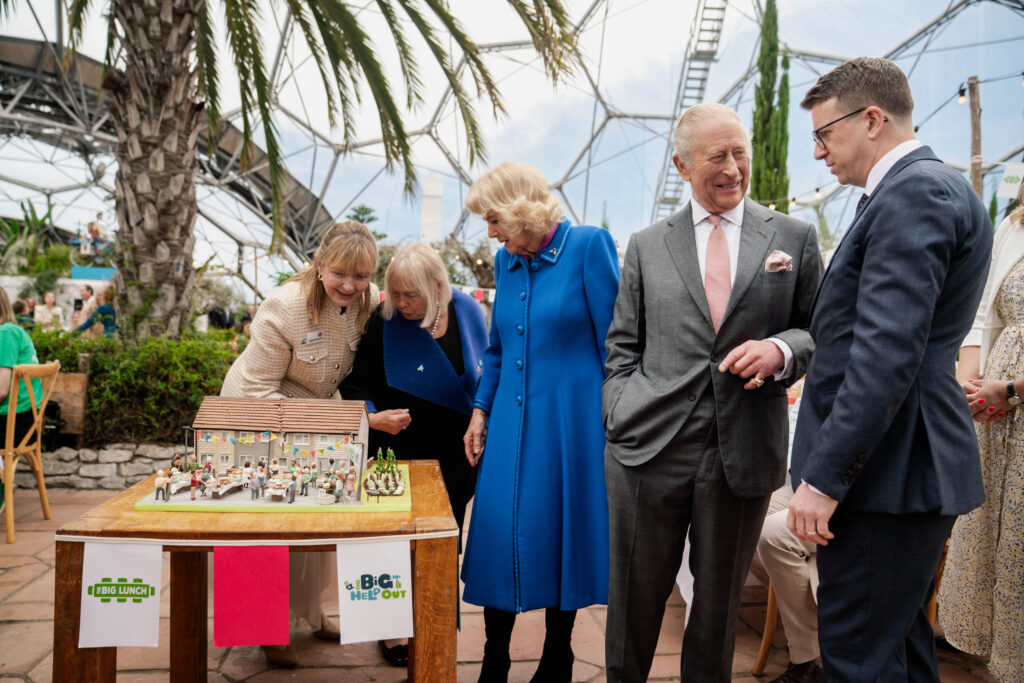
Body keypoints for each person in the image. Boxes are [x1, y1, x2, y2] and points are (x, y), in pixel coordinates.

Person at [788, 57, 992, 682]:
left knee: (859, 659)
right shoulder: (919, 190)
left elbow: (884, 356)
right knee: (898, 651)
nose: (819, 153)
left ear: (872, 119)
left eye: (824, 134)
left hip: (887, 476)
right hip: (897, 471)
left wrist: (824, 480)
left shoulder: (915, 192)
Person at [603, 102, 820, 682]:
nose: (733, 167)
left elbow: (817, 329)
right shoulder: (647, 244)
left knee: (718, 606)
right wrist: (618, 411)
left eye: (740, 152)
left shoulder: (793, 238)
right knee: (633, 600)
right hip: (646, 446)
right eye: (717, 155)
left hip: (744, 448)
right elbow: (622, 346)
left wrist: (781, 351)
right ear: (681, 164)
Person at [460, 161, 620, 682]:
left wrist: (614, 421)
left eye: (493, 220)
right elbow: (498, 349)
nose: (489, 233)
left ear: (518, 210)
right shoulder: (507, 262)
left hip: (571, 426)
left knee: (562, 532)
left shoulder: (589, 246)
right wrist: (481, 410)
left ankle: (557, 657)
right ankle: (494, 660)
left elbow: (615, 346)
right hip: (508, 421)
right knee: (495, 534)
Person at [219, 221, 378, 668]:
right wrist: (330, 421)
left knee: (317, 518)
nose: (350, 284)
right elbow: (257, 393)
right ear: (320, 263)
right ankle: (261, 627)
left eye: (361, 275)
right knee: (262, 523)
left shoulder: (369, 300)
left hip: (315, 416)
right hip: (254, 416)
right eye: (340, 272)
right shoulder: (284, 306)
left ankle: (314, 612)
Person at [339, 241, 489, 667]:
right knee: (394, 546)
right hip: (398, 451)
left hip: (457, 455)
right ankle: (391, 631)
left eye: (412, 295)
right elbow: (357, 384)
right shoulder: (384, 321)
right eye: (396, 293)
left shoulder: (467, 311)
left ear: (438, 287)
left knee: (442, 544)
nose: (401, 304)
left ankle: (433, 622)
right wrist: (373, 417)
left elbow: (485, 370)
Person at [937, 181, 1024, 682]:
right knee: (1002, 566)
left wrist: (1011, 389)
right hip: (996, 418)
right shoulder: (1013, 225)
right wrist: (969, 391)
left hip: (1010, 398)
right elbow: (980, 317)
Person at [754, 394, 822, 683]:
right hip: (804, 476)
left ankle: (809, 658)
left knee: (774, 535)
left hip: (853, 484)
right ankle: (813, 628)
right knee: (742, 520)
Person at [0, 288, 44, 447]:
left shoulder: (5, 333)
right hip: (27, 422)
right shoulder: (15, 330)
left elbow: (1, 391)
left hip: (15, 426)